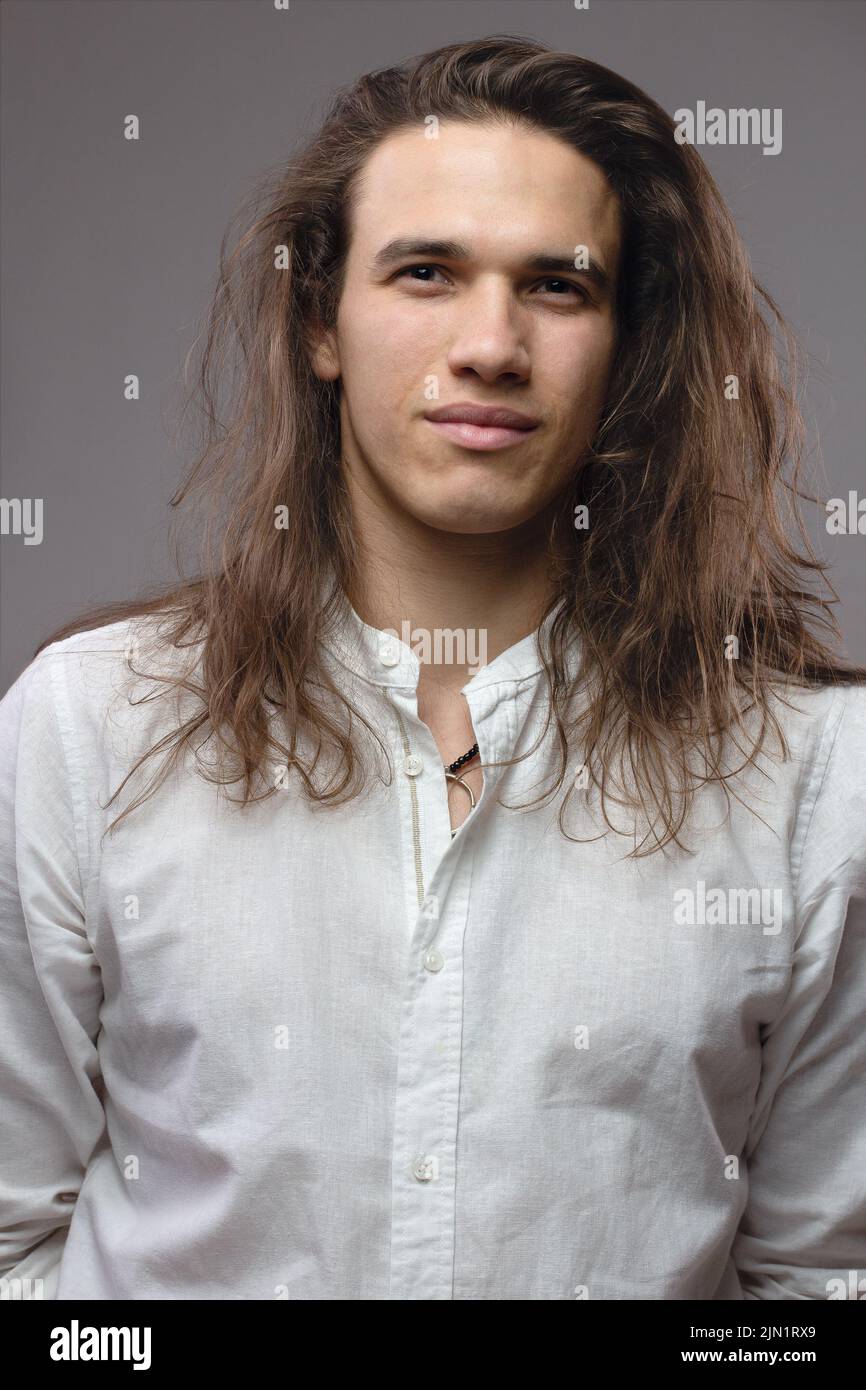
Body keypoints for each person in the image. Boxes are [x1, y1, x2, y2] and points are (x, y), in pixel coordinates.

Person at [1, 34, 864, 1301]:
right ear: (320, 322)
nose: (489, 344)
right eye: (425, 273)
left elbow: (816, 1287)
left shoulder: (811, 779)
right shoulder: (89, 728)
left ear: (626, 344)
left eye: (558, 287)